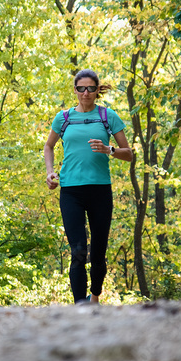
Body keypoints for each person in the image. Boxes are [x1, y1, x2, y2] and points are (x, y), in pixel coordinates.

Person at [44, 69, 133, 304]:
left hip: (99, 191)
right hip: (71, 191)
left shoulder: (107, 116)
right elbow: (49, 146)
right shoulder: (63, 118)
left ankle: (94, 296)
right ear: (75, 90)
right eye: (81, 88)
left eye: (91, 88)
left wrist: (110, 149)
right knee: (78, 251)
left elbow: (129, 154)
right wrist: (50, 172)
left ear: (97, 90)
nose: (86, 93)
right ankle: (79, 305)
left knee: (98, 253)